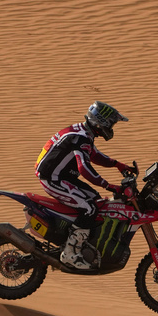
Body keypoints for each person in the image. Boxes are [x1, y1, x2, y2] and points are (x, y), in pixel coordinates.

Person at [34, 101, 135, 270]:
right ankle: (69, 254)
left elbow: (94, 155)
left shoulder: (83, 132)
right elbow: (84, 168)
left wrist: (118, 164)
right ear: (101, 122)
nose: (112, 127)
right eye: (111, 123)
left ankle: (75, 242)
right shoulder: (81, 137)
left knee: (95, 201)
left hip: (62, 176)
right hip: (53, 179)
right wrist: (108, 186)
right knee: (89, 209)